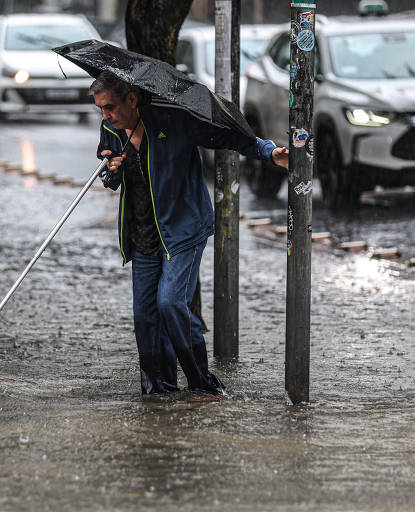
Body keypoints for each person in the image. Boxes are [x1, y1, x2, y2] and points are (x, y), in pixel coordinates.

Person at [90, 71, 289, 399]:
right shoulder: (111, 129)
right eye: (100, 108)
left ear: (132, 99)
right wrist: (112, 171)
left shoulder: (172, 120)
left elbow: (230, 137)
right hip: (142, 234)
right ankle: (159, 388)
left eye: (109, 107)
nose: (105, 115)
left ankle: (202, 382)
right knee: (145, 315)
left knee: (169, 302)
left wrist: (269, 152)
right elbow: (110, 178)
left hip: (182, 228)